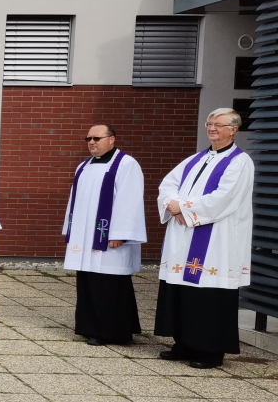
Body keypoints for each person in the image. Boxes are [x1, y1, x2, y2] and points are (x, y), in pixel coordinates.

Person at [155, 108, 254, 369]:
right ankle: (184, 343)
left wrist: (182, 208)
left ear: (233, 129)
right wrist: (172, 204)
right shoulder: (196, 159)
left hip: (216, 240)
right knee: (183, 291)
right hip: (184, 236)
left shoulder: (239, 162)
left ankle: (210, 351)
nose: (212, 128)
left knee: (208, 295)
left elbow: (225, 198)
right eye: (209, 123)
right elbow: (168, 184)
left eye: (218, 125)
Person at [62, 123, 147, 345]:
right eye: (88, 138)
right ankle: (89, 327)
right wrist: (70, 230)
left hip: (110, 239)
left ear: (112, 139)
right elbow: (75, 202)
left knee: (109, 285)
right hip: (86, 237)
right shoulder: (83, 166)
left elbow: (130, 201)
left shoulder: (126, 165)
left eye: (97, 138)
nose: (91, 142)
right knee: (89, 282)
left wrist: (120, 233)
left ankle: (113, 332)